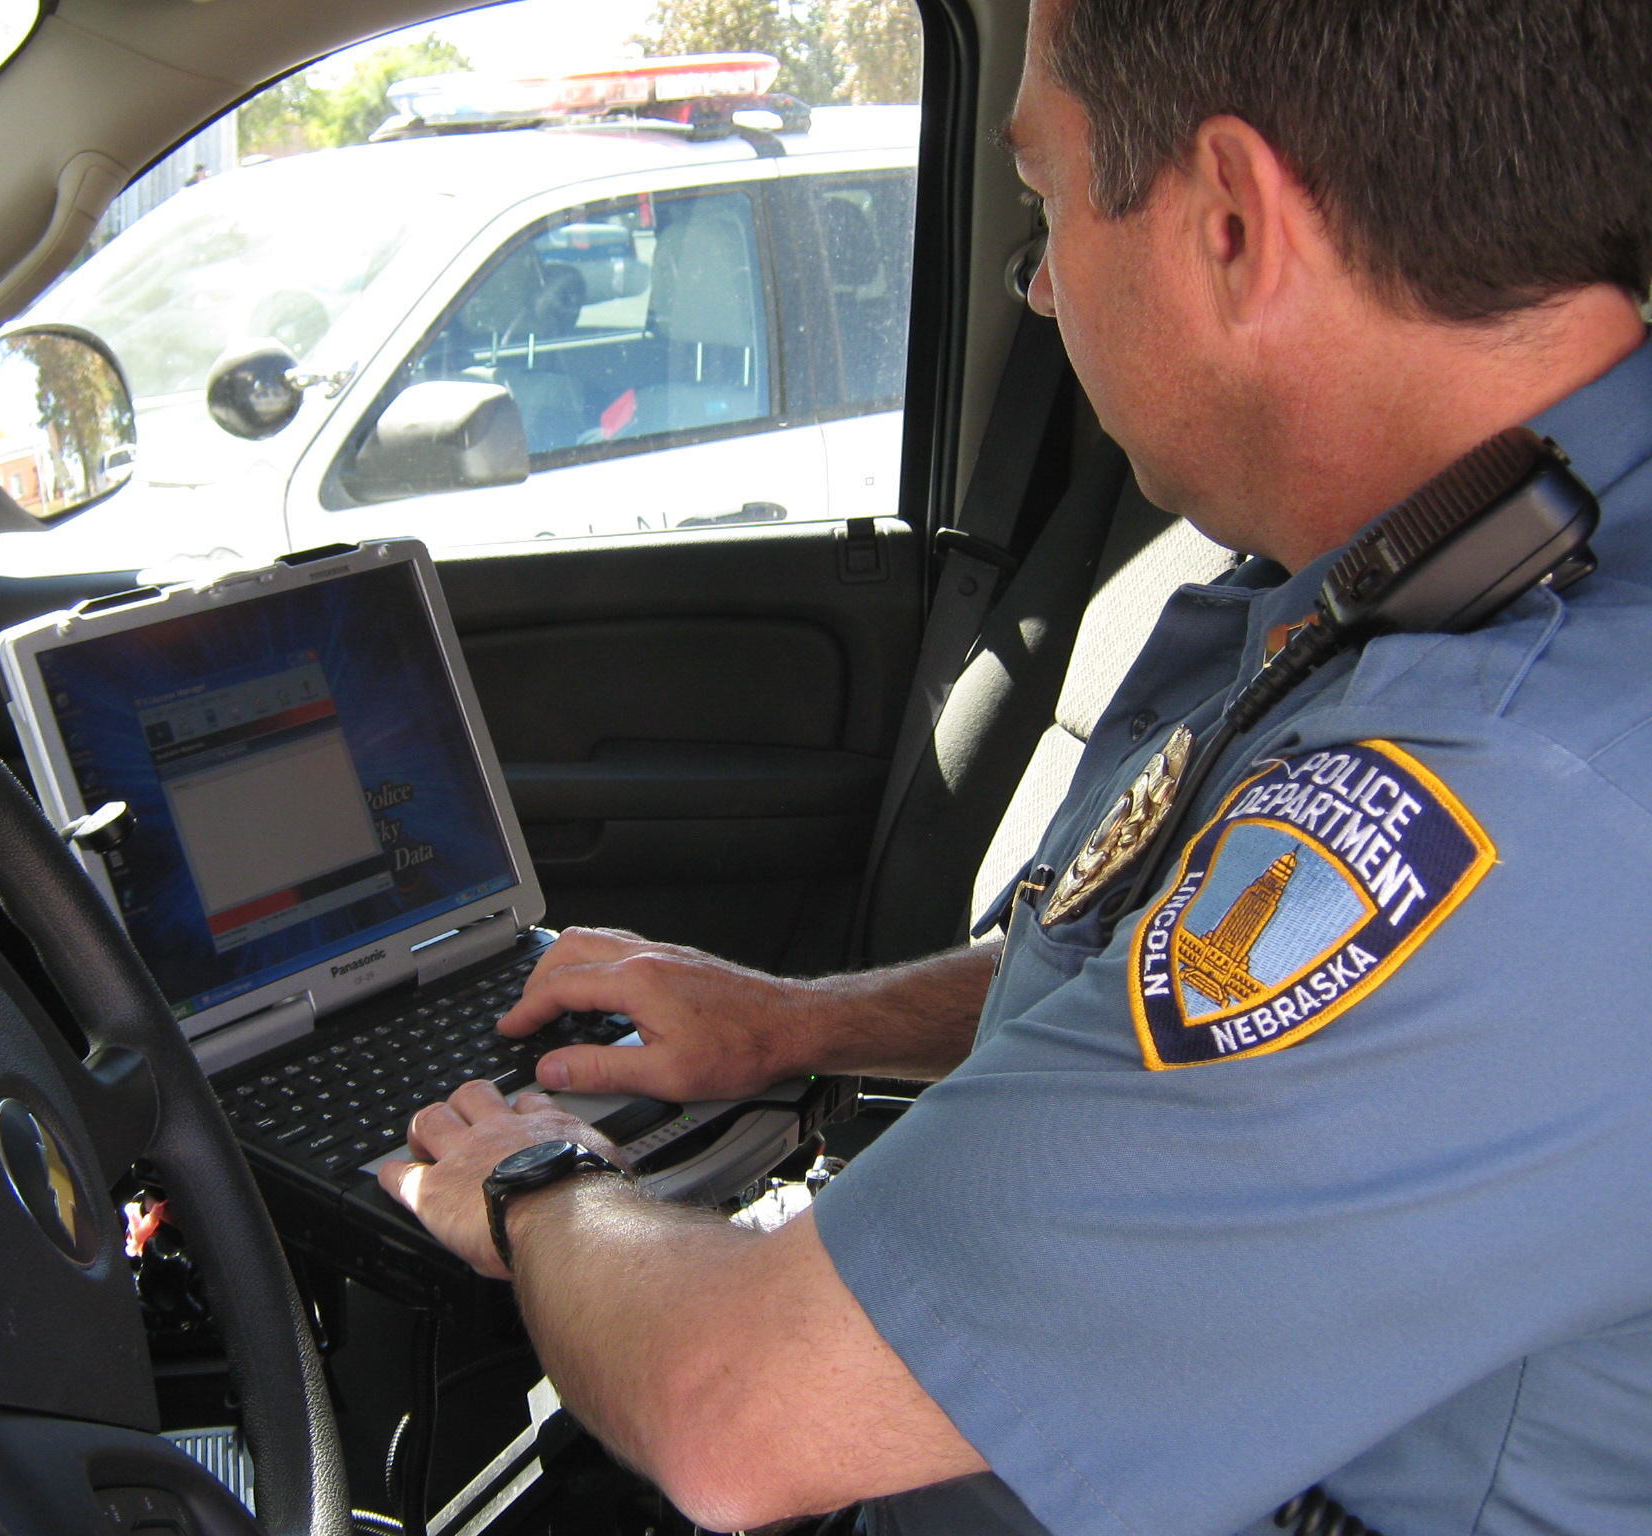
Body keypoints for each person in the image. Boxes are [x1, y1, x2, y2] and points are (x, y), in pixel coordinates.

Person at [378, 0, 1652, 1529]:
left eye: (1044, 201)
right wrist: (799, 1024)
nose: (1039, 287)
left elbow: (735, 1409)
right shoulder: (1446, 554)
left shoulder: (1519, 787)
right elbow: (1208, 983)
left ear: (1234, 225)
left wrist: (532, 1185)